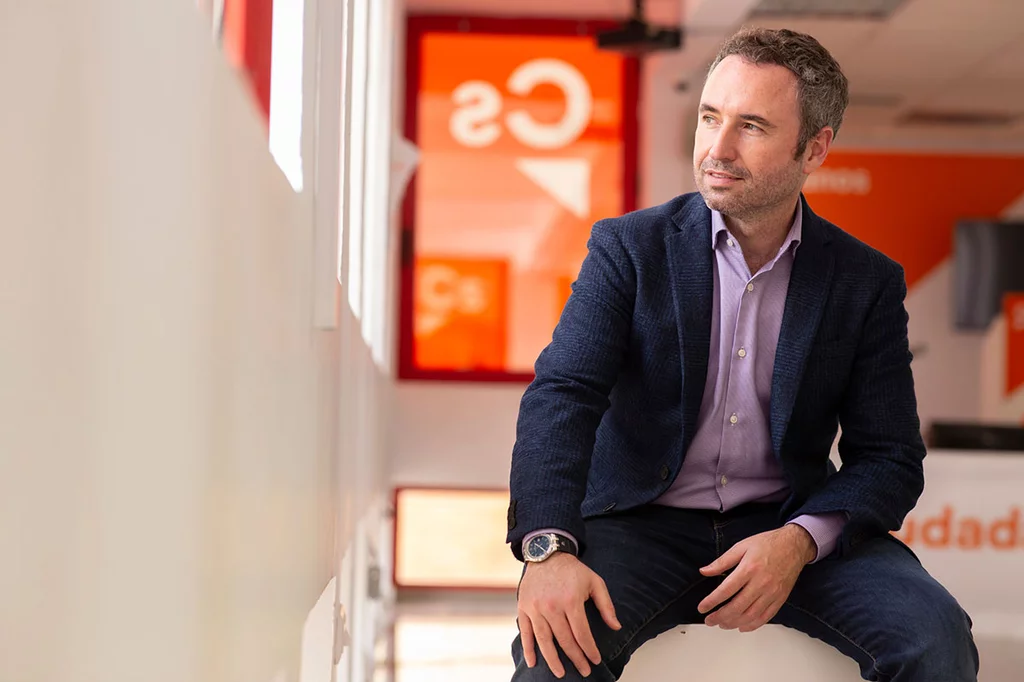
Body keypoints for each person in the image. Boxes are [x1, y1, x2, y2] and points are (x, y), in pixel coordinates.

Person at [505, 27, 979, 682]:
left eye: (751, 126)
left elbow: (889, 455)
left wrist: (801, 540)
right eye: (709, 118)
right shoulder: (627, 249)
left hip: (787, 525)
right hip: (641, 523)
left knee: (936, 640)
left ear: (814, 148)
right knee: (552, 655)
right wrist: (547, 548)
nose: (717, 150)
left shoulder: (863, 281)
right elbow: (564, 397)